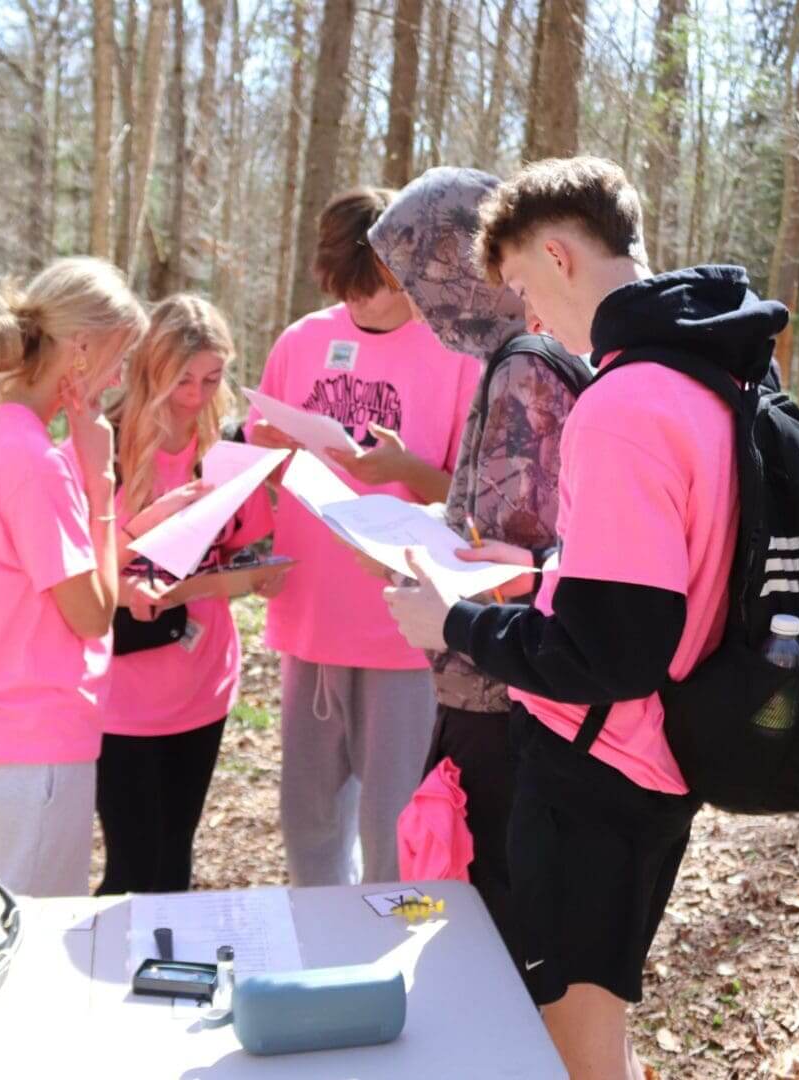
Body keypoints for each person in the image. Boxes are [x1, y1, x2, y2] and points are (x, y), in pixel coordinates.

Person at [383, 157, 786, 1078]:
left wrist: (453, 625)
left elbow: (612, 653)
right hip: (664, 755)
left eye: (523, 285)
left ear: (559, 258)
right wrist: (538, 571)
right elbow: (665, 579)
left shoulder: (622, 402)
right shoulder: (711, 377)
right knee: (593, 1032)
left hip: (597, 767)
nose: (527, 316)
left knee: (574, 1053)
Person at [365, 166, 583, 955]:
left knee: (479, 930)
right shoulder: (543, 354)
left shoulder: (524, 367)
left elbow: (514, 553)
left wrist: (429, 565)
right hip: (511, 684)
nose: (423, 310)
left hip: (499, 695)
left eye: (424, 280)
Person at [246, 186, 480, 886]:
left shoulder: (455, 355)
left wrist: (407, 468)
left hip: (401, 629)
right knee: (309, 825)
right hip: (309, 617)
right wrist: (264, 451)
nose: (360, 305)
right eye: (345, 289)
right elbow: (264, 462)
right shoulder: (302, 341)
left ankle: (384, 973)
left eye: (374, 289)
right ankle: (319, 969)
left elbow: (474, 503)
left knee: (393, 829)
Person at [0, 256, 148, 898]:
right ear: (80, 353)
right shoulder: (37, 461)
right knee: (27, 940)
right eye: (118, 359)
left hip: (1, 727)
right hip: (36, 741)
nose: (118, 379)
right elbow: (90, 614)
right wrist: (100, 483)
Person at [96, 295, 284, 895]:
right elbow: (79, 565)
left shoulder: (224, 444)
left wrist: (250, 573)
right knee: (133, 869)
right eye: (183, 380)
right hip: (121, 692)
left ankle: (168, 981)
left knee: (175, 856)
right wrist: (132, 584)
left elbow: (254, 544)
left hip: (203, 682)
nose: (197, 395)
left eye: (213, 378)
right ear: (151, 368)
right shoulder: (104, 441)